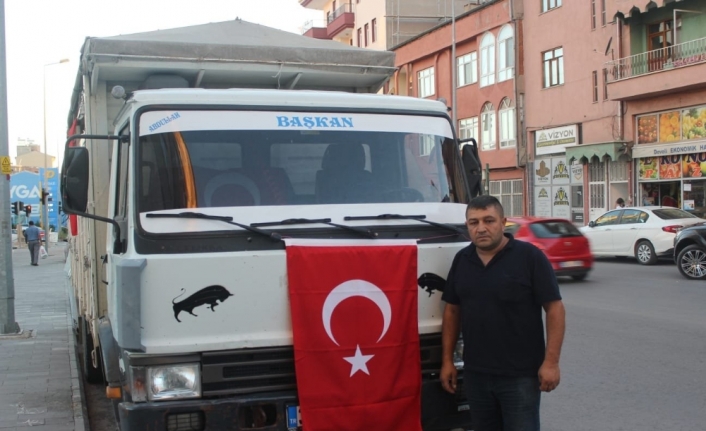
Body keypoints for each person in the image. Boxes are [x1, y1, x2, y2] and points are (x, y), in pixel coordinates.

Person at [440, 195, 566, 431]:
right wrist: (447, 361)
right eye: (474, 222)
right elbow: (452, 311)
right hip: (476, 374)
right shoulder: (462, 260)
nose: (481, 228)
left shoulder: (530, 257)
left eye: (489, 220)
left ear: (503, 222)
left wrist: (551, 362)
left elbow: (554, 308)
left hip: (520, 376)